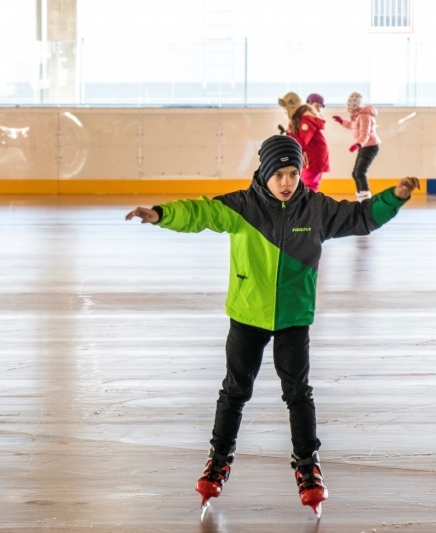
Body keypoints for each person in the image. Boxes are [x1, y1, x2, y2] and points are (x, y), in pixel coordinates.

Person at [125, 135, 419, 516]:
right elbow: (200, 214)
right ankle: (218, 459)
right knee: (235, 390)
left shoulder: (316, 210)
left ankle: (307, 466)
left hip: (293, 318)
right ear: (264, 173)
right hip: (248, 315)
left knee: (298, 392)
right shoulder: (242, 206)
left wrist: (393, 196)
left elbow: (360, 217)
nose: (286, 182)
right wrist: (161, 214)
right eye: (278, 174)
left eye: (293, 174)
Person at [333, 92, 381, 201]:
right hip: (364, 146)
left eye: (349, 107)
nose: (347, 109)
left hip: (370, 146)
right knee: (355, 173)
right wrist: (342, 122)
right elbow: (353, 125)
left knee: (359, 172)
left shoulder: (364, 116)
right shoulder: (357, 116)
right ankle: (361, 196)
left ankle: (365, 198)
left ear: (355, 106)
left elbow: (365, 133)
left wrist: (358, 144)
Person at [288, 97, 330, 192]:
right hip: (313, 156)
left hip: (314, 157)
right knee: (305, 182)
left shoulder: (306, 121)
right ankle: (306, 204)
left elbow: (302, 142)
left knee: (308, 184)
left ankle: (308, 205)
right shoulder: (306, 120)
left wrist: (290, 131)